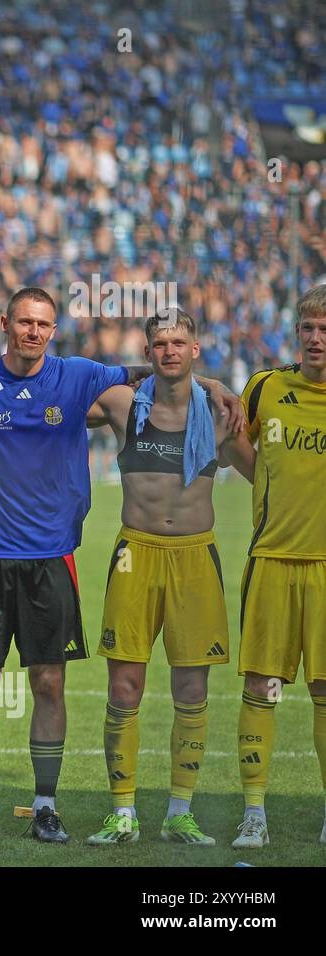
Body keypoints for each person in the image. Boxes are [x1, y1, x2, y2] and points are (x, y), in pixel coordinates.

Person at [0, 287, 242, 845]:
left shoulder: (78, 376)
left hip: (53, 556)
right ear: (5, 323)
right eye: (25, 322)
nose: (33, 331)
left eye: (44, 324)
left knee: (50, 682)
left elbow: (156, 373)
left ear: (53, 330)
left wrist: (214, 383)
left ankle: (47, 805)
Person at [80, 309, 234, 846]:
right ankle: (123, 813)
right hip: (134, 554)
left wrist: (214, 386)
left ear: (195, 348)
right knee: (125, 685)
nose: (169, 350)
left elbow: (267, 469)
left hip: (196, 555)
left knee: (192, 687)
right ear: (148, 353)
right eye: (160, 343)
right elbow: (59, 388)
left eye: (179, 342)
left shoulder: (219, 413)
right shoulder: (123, 405)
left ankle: (178, 812)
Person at [222, 283, 326, 848]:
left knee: (325, 689)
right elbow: (229, 441)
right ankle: (255, 812)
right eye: (309, 328)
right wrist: (264, 478)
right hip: (271, 560)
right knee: (260, 687)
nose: (316, 339)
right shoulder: (265, 387)